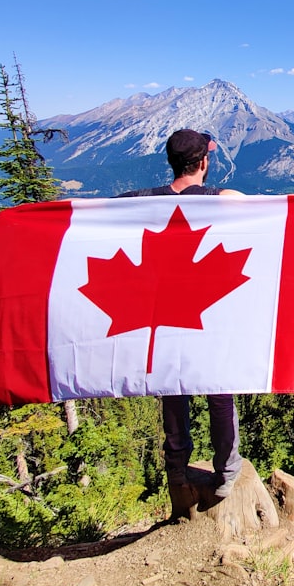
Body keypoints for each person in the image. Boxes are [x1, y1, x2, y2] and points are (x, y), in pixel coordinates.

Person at [117, 129, 244, 508]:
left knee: (172, 391)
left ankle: (176, 469)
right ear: (204, 162)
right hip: (206, 314)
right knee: (220, 393)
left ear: (171, 162)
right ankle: (226, 472)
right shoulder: (219, 200)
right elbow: (251, 206)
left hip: (161, 315)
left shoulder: (138, 201)